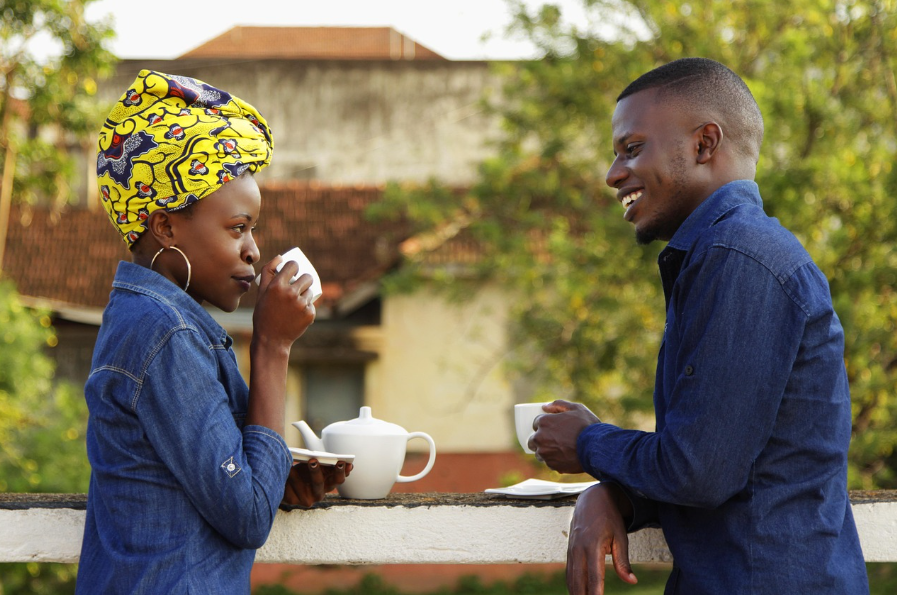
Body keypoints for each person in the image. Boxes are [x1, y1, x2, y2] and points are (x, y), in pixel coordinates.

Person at [530, 58, 869, 595]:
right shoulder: (719, 257)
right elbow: (735, 465)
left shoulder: (742, 260)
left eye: (632, 148)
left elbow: (699, 470)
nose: (613, 173)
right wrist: (616, 494)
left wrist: (589, 442)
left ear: (704, 144)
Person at [76, 70, 352, 594]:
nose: (252, 249)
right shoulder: (166, 334)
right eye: (237, 227)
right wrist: (272, 346)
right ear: (166, 227)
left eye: (253, 230)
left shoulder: (152, 320)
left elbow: (211, 478)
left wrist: (272, 479)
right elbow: (246, 518)